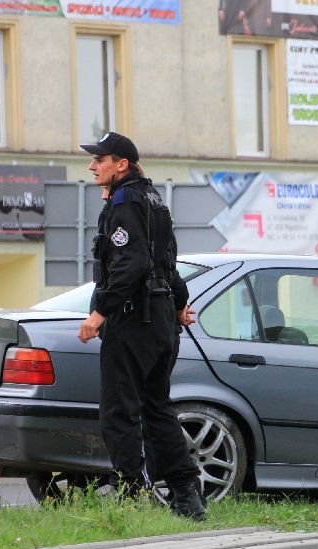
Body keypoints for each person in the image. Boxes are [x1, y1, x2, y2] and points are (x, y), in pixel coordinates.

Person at [77, 131, 206, 521]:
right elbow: (166, 261)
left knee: (120, 412)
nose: (92, 166)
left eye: (100, 159)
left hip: (133, 320)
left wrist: (100, 312)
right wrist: (178, 305)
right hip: (160, 320)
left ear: (121, 164)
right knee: (157, 409)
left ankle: (131, 496)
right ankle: (186, 494)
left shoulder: (125, 202)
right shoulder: (154, 200)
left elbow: (131, 263)